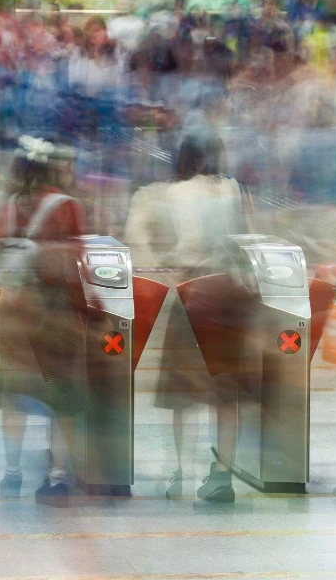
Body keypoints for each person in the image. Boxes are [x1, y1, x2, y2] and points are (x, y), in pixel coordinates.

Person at [124, 128, 252, 502]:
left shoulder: (175, 193)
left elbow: (149, 237)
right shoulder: (233, 190)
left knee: (182, 394)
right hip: (230, 294)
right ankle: (224, 474)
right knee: (227, 395)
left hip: (193, 292)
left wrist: (160, 265)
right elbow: (245, 238)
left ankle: (180, 469)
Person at [0, 137, 87, 507]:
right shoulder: (67, 205)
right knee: (61, 398)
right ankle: (56, 476)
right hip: (56, 311)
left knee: (15, 396)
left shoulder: (4, 206)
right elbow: (78, 263)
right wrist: (91, 311)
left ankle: (12, 475)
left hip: (14, 310)